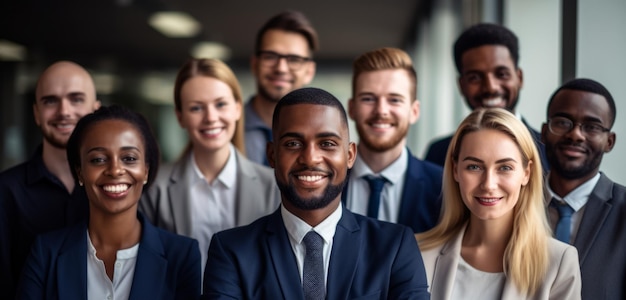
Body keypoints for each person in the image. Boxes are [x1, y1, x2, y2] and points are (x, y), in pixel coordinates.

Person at [203, 87, 430, 299]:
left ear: (350, 155)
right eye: (293, 143)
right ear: (272, 155)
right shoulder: (231, 251)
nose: (310, 158)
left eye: (327, 143)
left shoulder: (395, 247)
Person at [16, 105, 201, 299]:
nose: (115, 170)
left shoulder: (182, 256)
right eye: (98, 159)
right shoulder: (46, 252)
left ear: (145, 170)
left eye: (129, 158)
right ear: (80, 172)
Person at [416, 108, 581, 299]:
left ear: (526, 173)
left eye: (504, 167)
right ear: (455, 170)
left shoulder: (558, 262)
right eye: (474, 167)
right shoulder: (419, 253)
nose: (488, 184)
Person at [140, 58, 280, 274]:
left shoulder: (272, 186)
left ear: (237, 108)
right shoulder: (154, 188)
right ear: (180, 117)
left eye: (220, 104)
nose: (211, 117)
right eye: (196, 108)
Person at [0, 61, 100, 298]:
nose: (64, 111)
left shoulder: (115, 189)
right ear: (36, 113)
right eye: (50, 101)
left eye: (76, 99)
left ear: (96, 110)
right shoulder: (5, 192)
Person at [423, 23, 549, 172]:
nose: (490, 87)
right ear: (461, 86)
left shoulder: (549, 150)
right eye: (475, 77)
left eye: (501, 74)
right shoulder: (438, 154)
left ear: (519, 78)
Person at [542, 78, 626, 299]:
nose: (576, 135)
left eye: (592, 127)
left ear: (609, 141)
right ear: (544, 132)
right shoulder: (510, 203)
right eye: (562, 122)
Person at [343, 47, 442, 233]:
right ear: (352, 108)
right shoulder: (324, 180)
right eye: (368, 99)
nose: (381, 111)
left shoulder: (442, 189)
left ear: (414, 111)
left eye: (394, 100)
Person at [245, 10, 318, 165]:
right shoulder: (226, 128)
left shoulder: (323, 135)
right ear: (254, 64)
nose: (281, 68)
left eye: (294, 59)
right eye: (270, 56)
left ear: (309, 71)